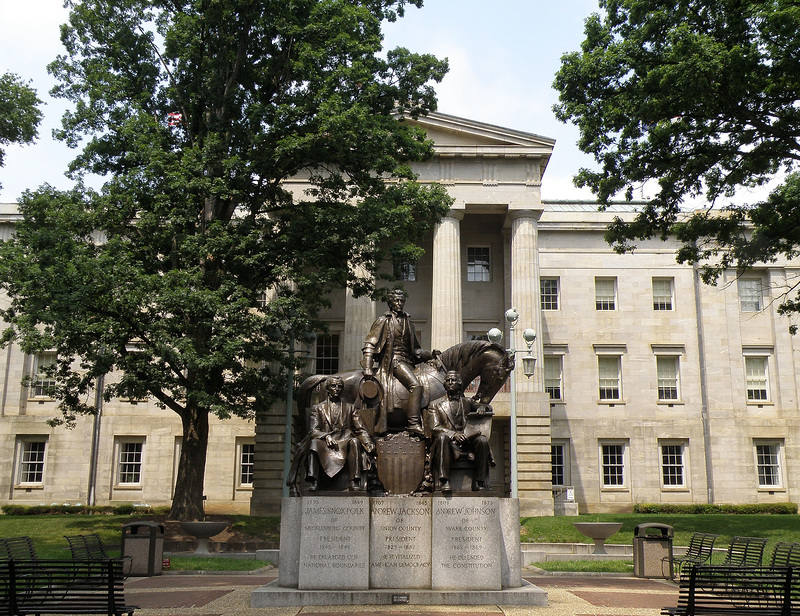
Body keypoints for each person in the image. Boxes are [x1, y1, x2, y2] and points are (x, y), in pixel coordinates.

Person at [362, 289, 438, 435]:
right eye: (396, 301)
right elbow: (370, 344)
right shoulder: (383, 321)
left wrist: (430, 354)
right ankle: (413, 423)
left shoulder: (408, 321)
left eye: (401, 301)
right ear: (390, 303)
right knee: (416, 386)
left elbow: (416, 350)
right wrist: (368, 367)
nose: (399, 303)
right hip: (393, 362)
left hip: (408, 363)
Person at [304, 376, 375, 491]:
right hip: (325, 443)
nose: (336, 389)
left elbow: (360, 429)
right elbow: (313, 430)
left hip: (344, 441)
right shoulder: (318, 408)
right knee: (313, 444)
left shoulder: (350, 408)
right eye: (333, 386)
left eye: (339, 386)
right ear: (328, 389)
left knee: (355, 442)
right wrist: (325, 436)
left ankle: (354, 481)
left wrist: (368, 442)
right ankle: (314, 481)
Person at [427, 370, 494, 492]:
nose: (450, 382)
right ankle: (445, 481)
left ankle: (479, 481)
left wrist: (482, 407)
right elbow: (434, 427)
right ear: (444, 384)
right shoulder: (435, 404)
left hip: (466, 442)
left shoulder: (467, 402)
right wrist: (454, 435)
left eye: (453, 380)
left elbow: (483, 406)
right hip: (447, 443)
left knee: (482, 441)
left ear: (460, 384)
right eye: (448, 380)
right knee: (442, 438)